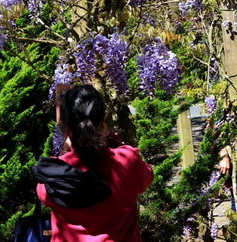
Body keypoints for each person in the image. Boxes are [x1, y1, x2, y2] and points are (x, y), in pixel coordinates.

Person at [34, 84, 154, 242]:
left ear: (66, 126)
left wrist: (65, 149)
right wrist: (112, 139)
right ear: (103, 120)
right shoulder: (127, 161)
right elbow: (146, 178)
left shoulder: (55, 173)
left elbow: (44, 195)